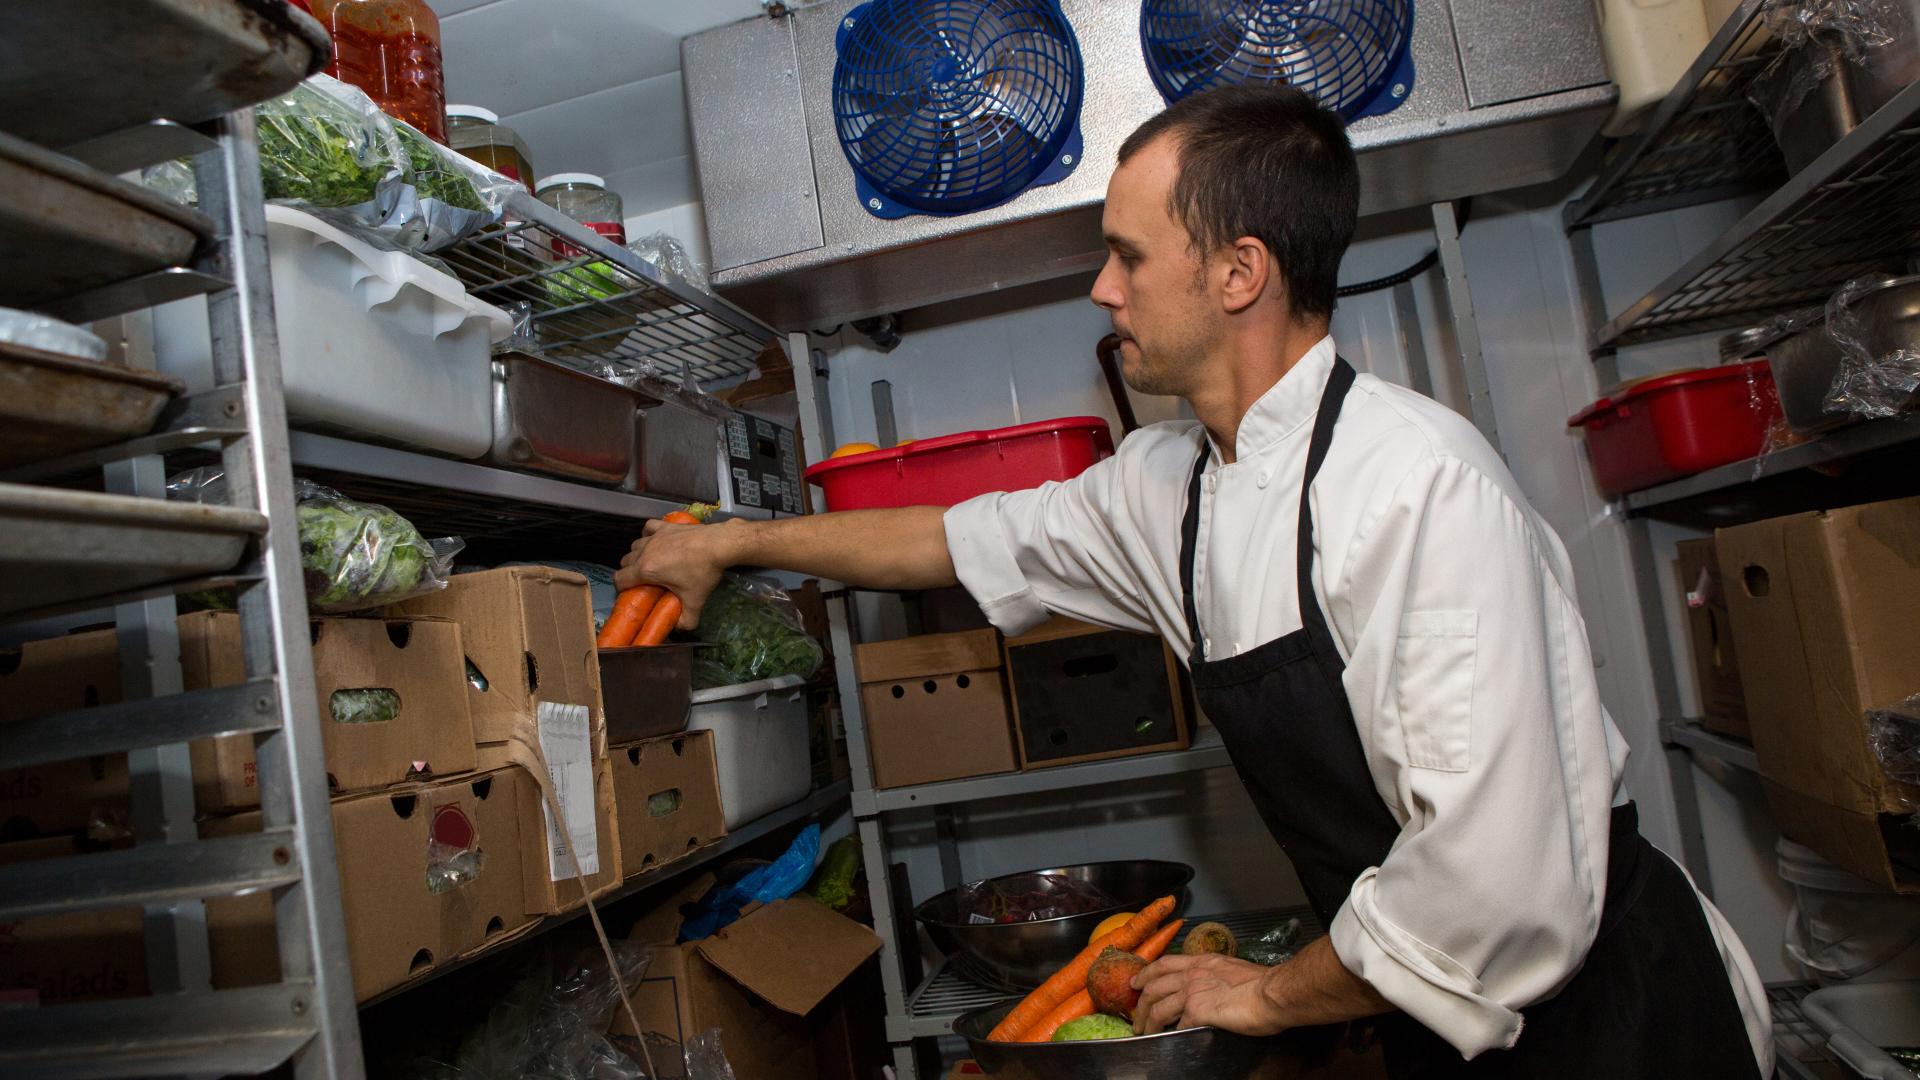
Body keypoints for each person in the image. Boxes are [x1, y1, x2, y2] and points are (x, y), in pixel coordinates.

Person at [617, 85, 1772, 1077]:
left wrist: (1267, 997)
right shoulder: (1167, 483)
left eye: (1126, 255)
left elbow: (1496, 886)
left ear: (1237, 272)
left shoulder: (1418, 489)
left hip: (1612, 1018)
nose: (1102, 292)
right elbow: (945, 540)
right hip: (1433, 1011)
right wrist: (729, 541)